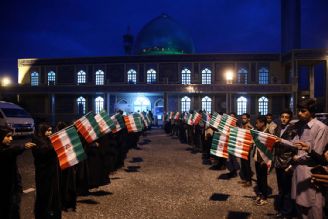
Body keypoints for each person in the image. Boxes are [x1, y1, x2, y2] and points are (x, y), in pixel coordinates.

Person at [291, 98, 328, 218]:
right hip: (299, 171)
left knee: (314, 207)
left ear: (311, 112)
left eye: (303, 111)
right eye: (299, 111)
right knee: (301, 208)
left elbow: (318, 154)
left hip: (310, 173)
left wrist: (298, 158)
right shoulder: (300, 126)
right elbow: (295, 144)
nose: (299, 113)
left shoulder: (321, 127)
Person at [0, 128, 35, 219]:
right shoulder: (4, 151)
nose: (11, 139)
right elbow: (11, 151)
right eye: (8, 136)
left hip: (14, 188)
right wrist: (24, 146)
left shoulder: (6, 148)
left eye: (11, 136)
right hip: (6, 191)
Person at [31, 123, 61, 219]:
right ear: (42, 131)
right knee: (44, 194)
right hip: (43, 173)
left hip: (52, 172)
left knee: (53, 194)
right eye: (48, 130)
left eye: (51, 130)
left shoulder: (50, 140)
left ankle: (53, 213)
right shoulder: (36, 140)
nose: (50, 132)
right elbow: (41, 152)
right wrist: (54, 147)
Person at [273, 110, 298, 218]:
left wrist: (291, 164)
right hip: (278, 162)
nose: (284, 119)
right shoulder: (277, 128)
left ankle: (287, 212)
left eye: (286, 117)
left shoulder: (293, 130)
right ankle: (281, 209)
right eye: (282, 116)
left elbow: (295, 147)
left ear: (290, 118)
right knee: (281, 188)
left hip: (287, 162)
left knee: (287, 189)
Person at [253, 115, 270, 206]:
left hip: (263, 160)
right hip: (257, 158)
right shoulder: (258, 132)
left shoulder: (267, 133)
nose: (256, 124)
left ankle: (264, 197)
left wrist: (265, 160)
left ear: (262, 123)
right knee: (259, 178)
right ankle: (260, 194)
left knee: (263, 179)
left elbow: (269, 149)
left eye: (257, 123)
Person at [238, 113, 254, 187]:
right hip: (242, 146)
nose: (243, 119)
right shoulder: (242, 125)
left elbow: (252, 137)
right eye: (242, 118)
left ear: (248, 119)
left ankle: (249, 181)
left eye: (244, 118)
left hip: (247, 147)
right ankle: (244, 179)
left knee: (247, 164)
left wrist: (250, 146)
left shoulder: (250, 127)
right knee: (243, 163)